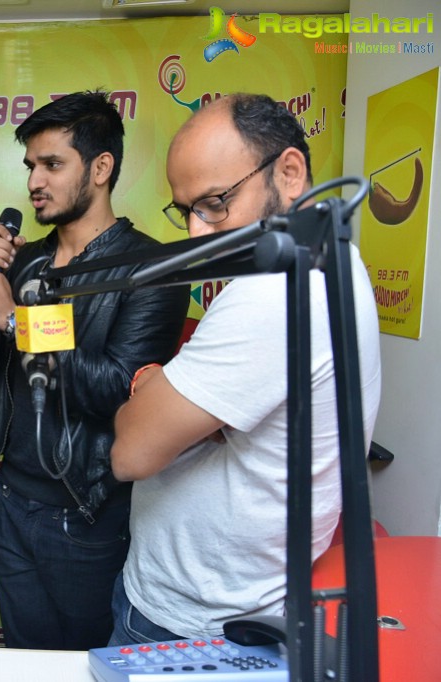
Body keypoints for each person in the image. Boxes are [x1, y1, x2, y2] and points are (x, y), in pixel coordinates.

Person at [108, 93, 382, 644]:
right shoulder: (328, 259)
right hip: (207, 600)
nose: (196, 232)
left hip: (194, 620)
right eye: (185, 210)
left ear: (289, 172)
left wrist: (151, 384)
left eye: (214, 202)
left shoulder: (276, 292)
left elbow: (130, 452)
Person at [0, 90, 190, 650]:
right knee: (27, 658)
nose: (35, 180)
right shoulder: (27, 259)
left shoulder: (152, 268)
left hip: (85, 511)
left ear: (101, 168)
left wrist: (15, 321)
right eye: (31, 166)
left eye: (52, 164)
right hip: (10, 499)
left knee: (83, 663)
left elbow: (119, 387)